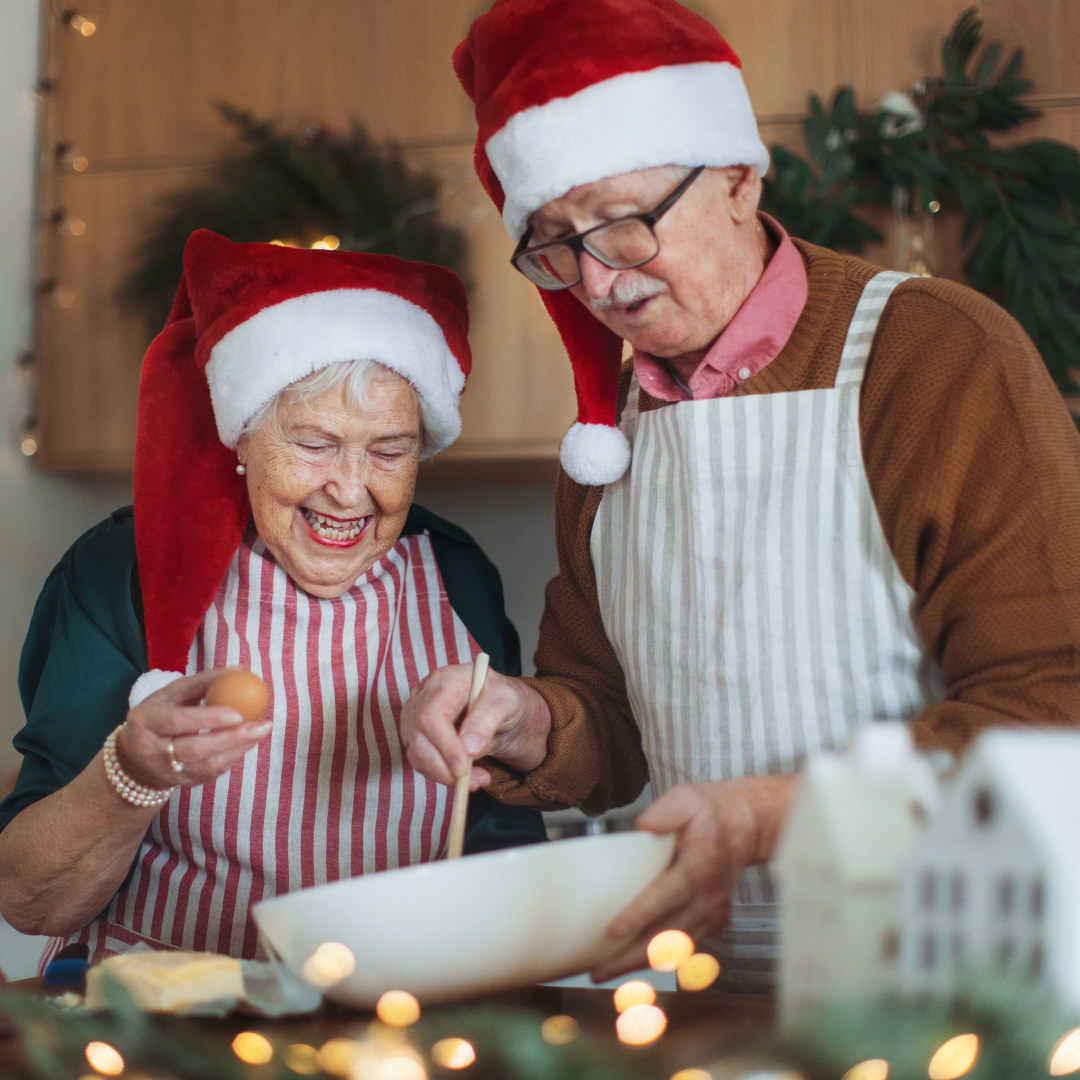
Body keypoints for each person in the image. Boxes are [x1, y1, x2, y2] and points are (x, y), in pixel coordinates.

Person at [401, 0, 1080, 991]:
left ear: (737, 176)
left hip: (950, 983)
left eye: (627, 224)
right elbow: (613, 720)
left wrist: (767, 817)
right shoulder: (607, 438)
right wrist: (526, 720)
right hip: (704, 991)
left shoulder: (935, 358)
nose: (596, 281)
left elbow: (1050, 705)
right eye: (555, 243)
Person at [0, 230, 544, 965]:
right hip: (162, 1027)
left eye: (389, 450)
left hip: (388, 1025)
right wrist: (135, 771)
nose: (351, 490)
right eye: (315, 443)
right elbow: (29, 898)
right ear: (243, 435)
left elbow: (499, 850)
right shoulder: (121, 572)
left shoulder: (456, 574)